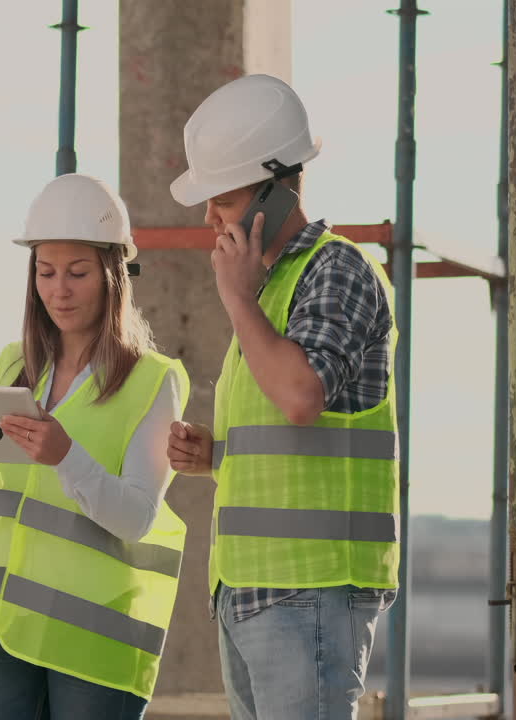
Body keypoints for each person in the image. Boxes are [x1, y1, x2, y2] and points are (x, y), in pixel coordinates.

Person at [165, 74, 400, 719]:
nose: (211, 216)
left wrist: (237, 298)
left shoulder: (338, 269)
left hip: (311, 590)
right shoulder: (270, 290)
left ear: (276, 188)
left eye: (225, 198)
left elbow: (301, 396)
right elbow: (290, 433)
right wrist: (216, 455)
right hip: (250, 587)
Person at [0, 173, 191, 720]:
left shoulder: (153, 380)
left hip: (91, 642)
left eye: (77, 273)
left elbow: (139, 517)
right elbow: (3, 512)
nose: (59, 290)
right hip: (4, 628)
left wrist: (67, 456)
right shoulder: (13, 367)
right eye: (45, 272)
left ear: (112, 275)